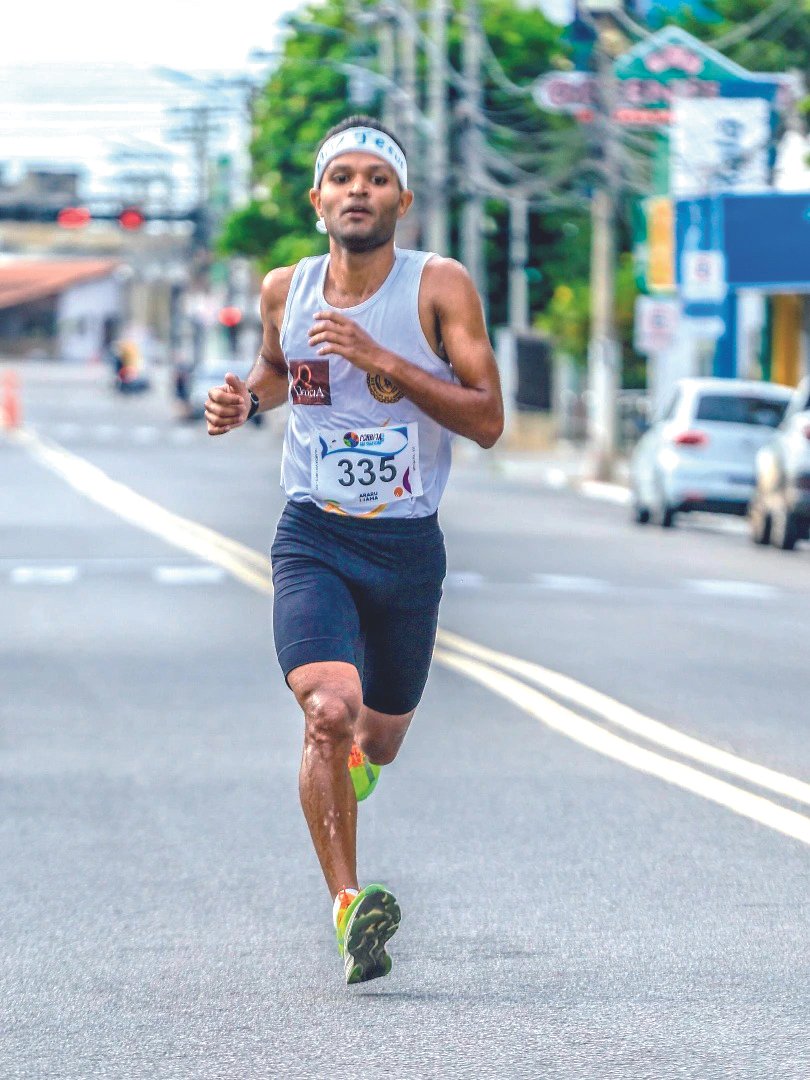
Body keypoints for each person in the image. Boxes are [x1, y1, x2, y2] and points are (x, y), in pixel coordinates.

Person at [205, 116, 504, 985]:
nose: (358, 191)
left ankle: (358, 765)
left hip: (408, 547)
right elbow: (273, 366)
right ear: (318, 199)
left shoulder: (437, 287)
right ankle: (349, 908)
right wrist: (244, 402)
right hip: (315, 535)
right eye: (343, 177)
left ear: (402, 199)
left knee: (380, 735)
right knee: (327, 710)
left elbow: (486, 419)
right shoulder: (284, 288)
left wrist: (385, 358)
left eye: (377, 178)